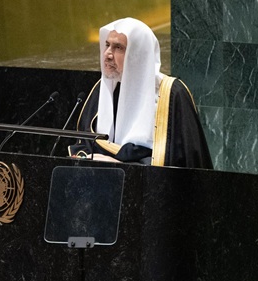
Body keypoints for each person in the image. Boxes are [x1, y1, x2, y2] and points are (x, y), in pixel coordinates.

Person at [68, 18, 212, 169]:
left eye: (118, 47)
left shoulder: (171, 93)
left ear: (137, 54)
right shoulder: (103, 89)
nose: (107, 54)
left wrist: (119, 165)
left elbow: (182, 162)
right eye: (107, 45)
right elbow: (83, 143)